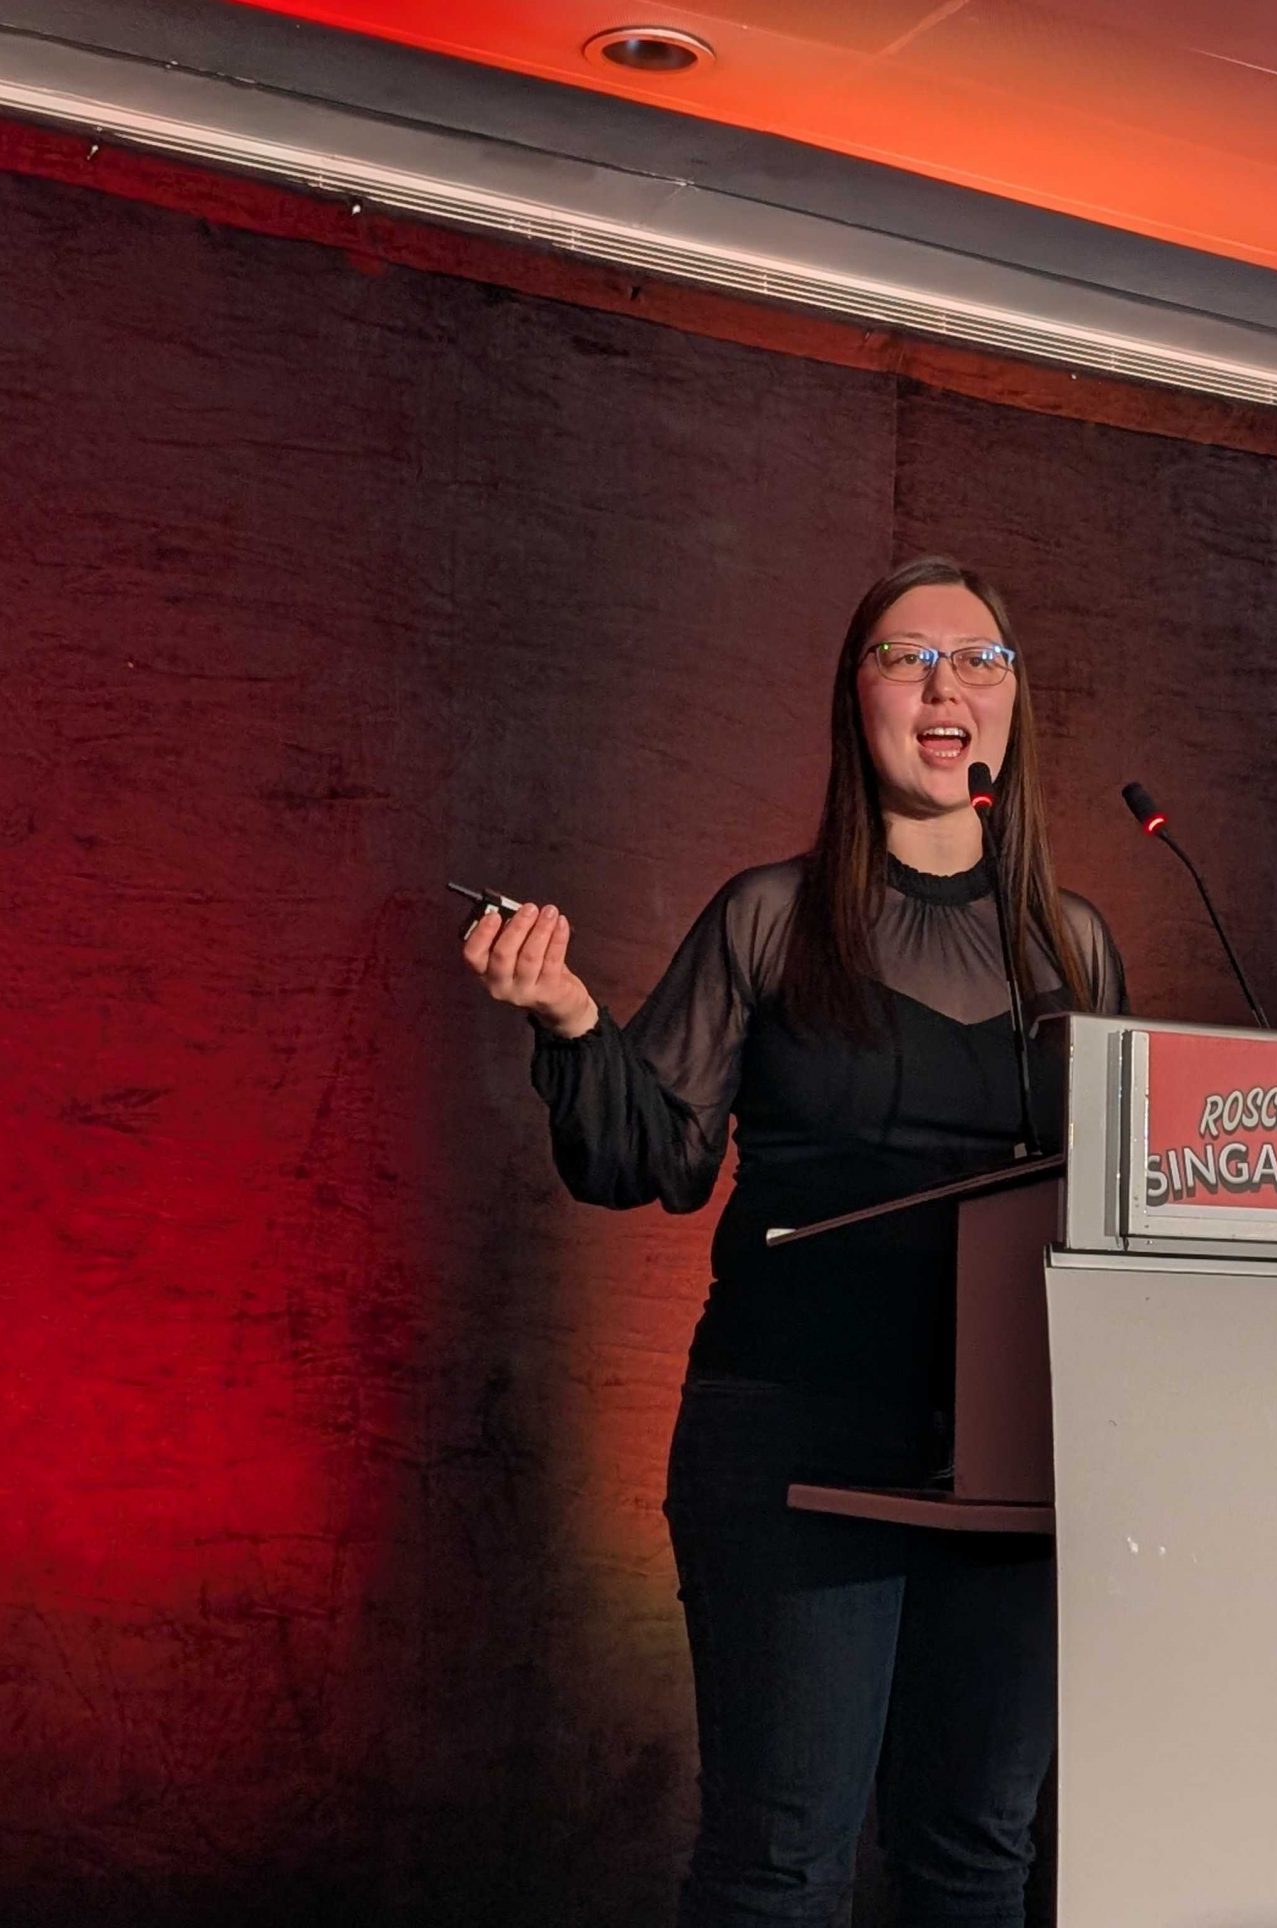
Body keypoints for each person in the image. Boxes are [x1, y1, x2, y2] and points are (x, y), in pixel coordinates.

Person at [461, 555, 1126, 1926]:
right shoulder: (772, 917)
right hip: (798, 1439)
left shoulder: (1076, 947)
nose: (945, 687)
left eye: (979, 659)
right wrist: (573, 1024)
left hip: (1018, 1455)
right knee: (781, 1870)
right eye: (906, 658)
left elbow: (1120, 1201)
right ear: (854, 701)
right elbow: (652, 1158)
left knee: (977, 1859)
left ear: (1014, 705)